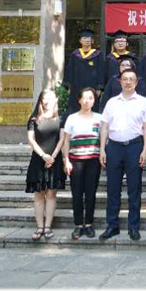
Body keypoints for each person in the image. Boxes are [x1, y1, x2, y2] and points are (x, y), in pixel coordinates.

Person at [99, 69, 146, 241]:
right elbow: (104, 127)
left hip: (135, 147)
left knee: (134, 189)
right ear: (120, 82)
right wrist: (102, 149)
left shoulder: (143, 102)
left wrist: (145, 150)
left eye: (131, 79)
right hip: (114, 148)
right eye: (125, 79)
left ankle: (133, 227)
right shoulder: (111, 102)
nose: (128, 82)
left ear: (136, 83)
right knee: (112, 189)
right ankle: (112, 226)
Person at [25, 89, 66, 241]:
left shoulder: (61, 118)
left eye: (50, 98)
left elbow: (62, 139)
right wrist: (44, 156)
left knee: (51, 194)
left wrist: (52, 157)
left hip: (55, 160)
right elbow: (31, 140)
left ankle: (48, 227)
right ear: (41, 100)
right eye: (44, 98)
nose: (47, 101)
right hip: (38, 160)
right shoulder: (34, 119)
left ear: (56, 100)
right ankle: (39, 227)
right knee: (39, 195)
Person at [62, 88, 102, 240]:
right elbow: (66, 141)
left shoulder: (99, 118)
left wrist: (102, 156)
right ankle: (78, 225)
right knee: (77, 193)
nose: (87, 101)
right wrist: (66, 160)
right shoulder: (72, 118)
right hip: (76, 160)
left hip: (93, 160)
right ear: (79, 100)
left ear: (94, 100)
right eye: (84, 98)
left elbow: (103, 138)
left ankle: (89, 224)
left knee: (91, 193)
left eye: (90, 98)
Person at [63, 28, 105, 115]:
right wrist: (68, 85)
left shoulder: (97, 55)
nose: (87, 40)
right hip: (76, 87)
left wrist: (99, 87)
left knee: (92, 107)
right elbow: (70, 70)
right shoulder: (75, 54)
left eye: (89, 38)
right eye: (84, 38)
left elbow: (101, 71)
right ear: (80, 41)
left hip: (92, 87)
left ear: (92, 41)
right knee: (75, 107)